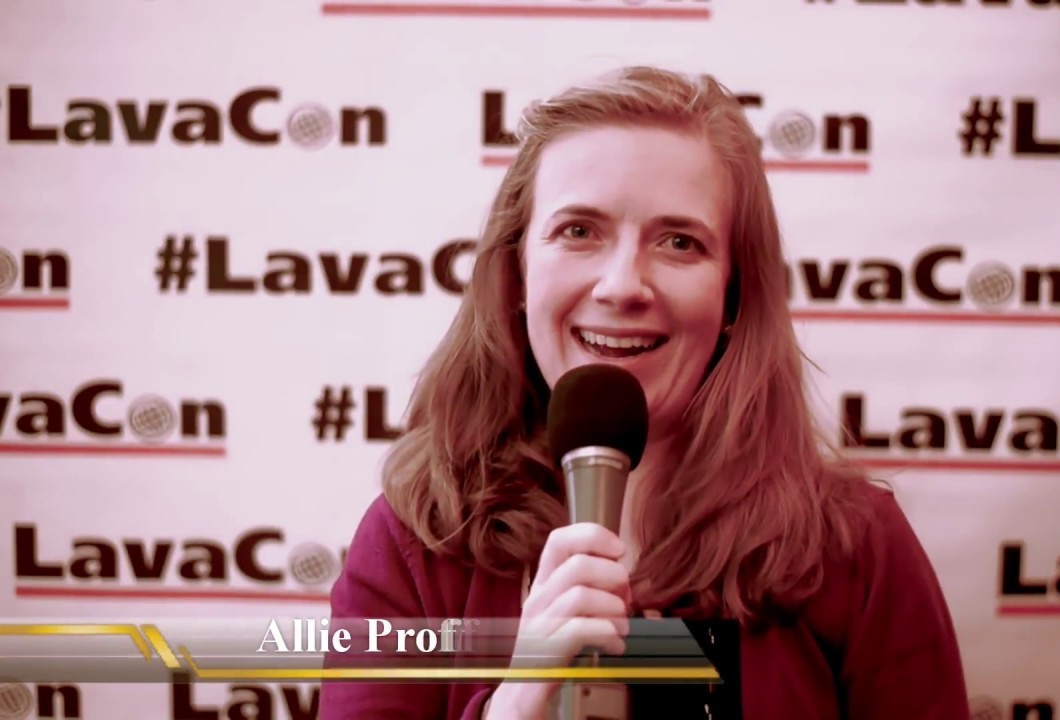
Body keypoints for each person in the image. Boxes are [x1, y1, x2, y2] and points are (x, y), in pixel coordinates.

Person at [318, 65, 970, 719]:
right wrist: (512, 706)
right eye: (579, 231)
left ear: (735, 294)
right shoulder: (412, 545)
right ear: (516, 274)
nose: (622, 286)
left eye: (679, 242)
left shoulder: (855, 545)